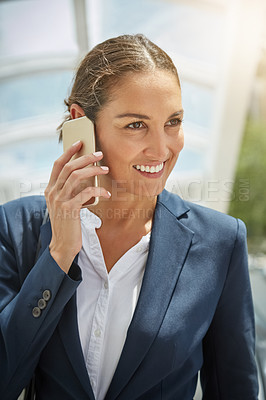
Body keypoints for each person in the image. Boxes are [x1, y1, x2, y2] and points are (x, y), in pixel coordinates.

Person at [0, 34, 258, 400]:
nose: (161, 148)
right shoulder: (15, 229)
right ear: (81, 123)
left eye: (173, 121)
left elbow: (237, 390)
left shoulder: (220, 242)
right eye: (136, 124)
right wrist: (59, 254)